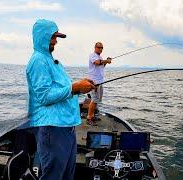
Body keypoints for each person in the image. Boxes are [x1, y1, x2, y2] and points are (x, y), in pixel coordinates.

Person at [26, 19, 95, 180]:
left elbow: (61, 89)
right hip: (53, 128)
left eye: (56, 37)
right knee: (54, 176)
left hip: (65, 126)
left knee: (66, 175)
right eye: (53, 37)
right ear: (42, 36)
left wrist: (81, 86)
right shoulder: (38, 61)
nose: (56, 41)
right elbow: (43, 96)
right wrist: (75, 87)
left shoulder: (51, 60)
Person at [87, 42, 112, 125]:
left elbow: (101, 66)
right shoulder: (93, 55)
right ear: (95, 47)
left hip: (100, 81)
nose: (100, 49)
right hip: (94, 82)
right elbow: (97, 63)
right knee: (94, 100)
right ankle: (89, 118)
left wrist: (106, 62)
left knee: (97, 100)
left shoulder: (100, 57)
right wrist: (106, 61)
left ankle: (93, 115)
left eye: (102, 48)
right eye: (99, 47)